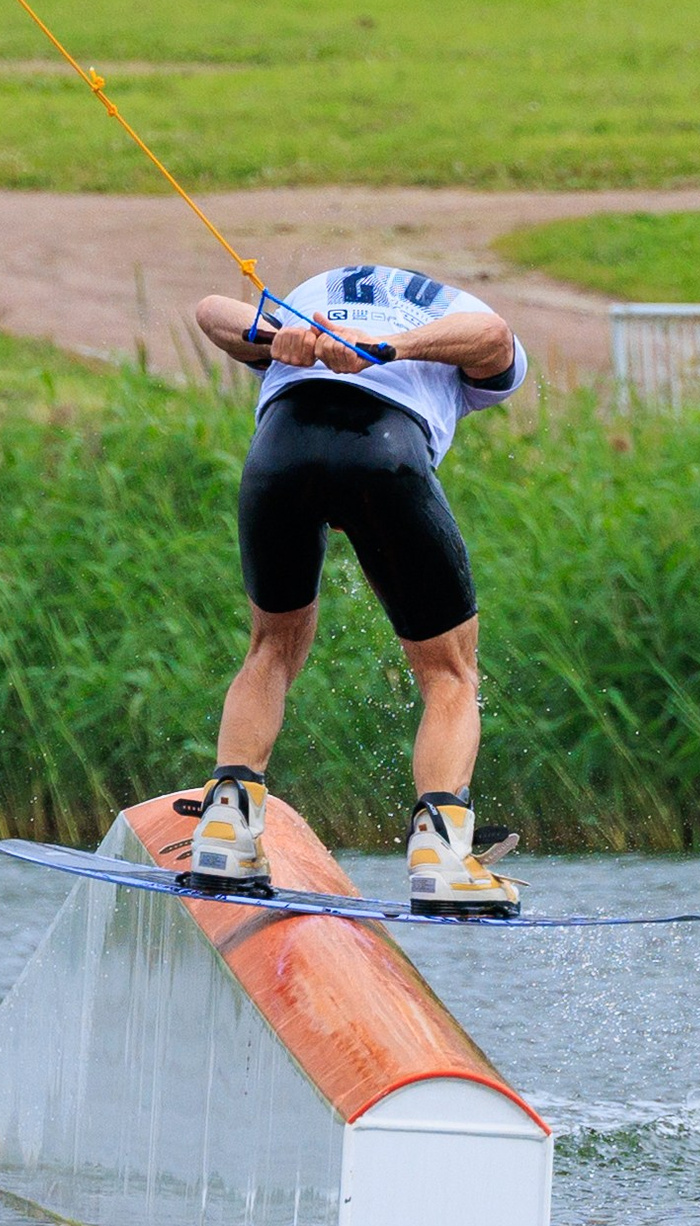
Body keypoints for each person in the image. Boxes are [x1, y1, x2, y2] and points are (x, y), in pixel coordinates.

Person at [184, 262, 531, 916]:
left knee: (271, 648)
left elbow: (207, 307)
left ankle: (225, 828)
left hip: (278, 455)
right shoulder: (423, 314)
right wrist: (283, 334)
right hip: (385, 451)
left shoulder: (351, 302)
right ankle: (443, 857)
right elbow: (497, 340)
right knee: (450, 674)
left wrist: (369, 348)